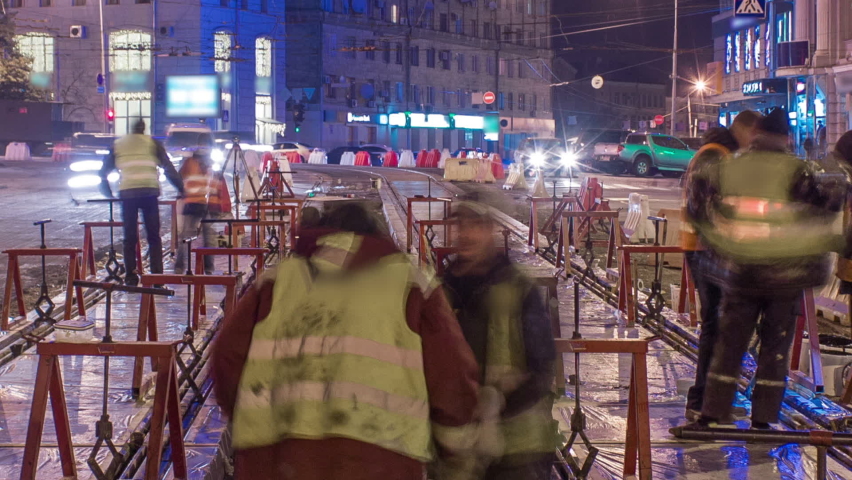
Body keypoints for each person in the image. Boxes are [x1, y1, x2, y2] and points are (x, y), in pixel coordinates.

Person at [210, 203, 480, 479]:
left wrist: (255, 417)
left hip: (276, 461)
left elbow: (226, 359)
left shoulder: (275, 282)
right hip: (381, 462)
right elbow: (451, 376)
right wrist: (454, 449)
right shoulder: (412, 285)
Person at [691, 108, 844, 429]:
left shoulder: (733, 168)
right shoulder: (799, 172)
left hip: (741, 273)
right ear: (787, 138)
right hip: (785, 278)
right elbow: (826, 209)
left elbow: (701, 206)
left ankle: (712, 413)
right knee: (775, 349)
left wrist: (718, 248)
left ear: (757, 134)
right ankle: (763, 419)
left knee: (729, 345)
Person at [439, 201, 558, 479]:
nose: (465, 233)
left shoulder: (518, 289)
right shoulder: (441, 292)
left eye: (475, 225)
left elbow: (543, 368)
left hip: (516, 449)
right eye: (459, 225)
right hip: (457, 450)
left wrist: (496, 411)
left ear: (491, 229)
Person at [681, 111, 761, 422]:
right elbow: (703, 206)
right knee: (715, 327)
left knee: (717, 326)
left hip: (704, 249)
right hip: (705, 251)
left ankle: (709, 400)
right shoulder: (715, 155)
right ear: (745, 130)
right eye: (754, 136)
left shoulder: (718, 153)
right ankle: (703, 400)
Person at [99, 119, 184, 286]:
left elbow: (103, 172)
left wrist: (108, 193)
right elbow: (169, 169)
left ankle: (131, 277)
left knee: (129, 237)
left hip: (128, 194)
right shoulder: (152, 143)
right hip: (149, 192)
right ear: (144, 129)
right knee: (154, 236)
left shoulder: (119, 144)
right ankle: (157, 277)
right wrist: (181, 188)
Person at [174, 134, 230, 274]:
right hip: (202, 204)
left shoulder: (189, 162)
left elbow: (180, 179)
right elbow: (216, 185)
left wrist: (182, 194)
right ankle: (207, 268)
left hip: (195, 203)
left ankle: (181, 267)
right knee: (207, 238)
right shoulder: (208, 164)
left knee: (187, 237)